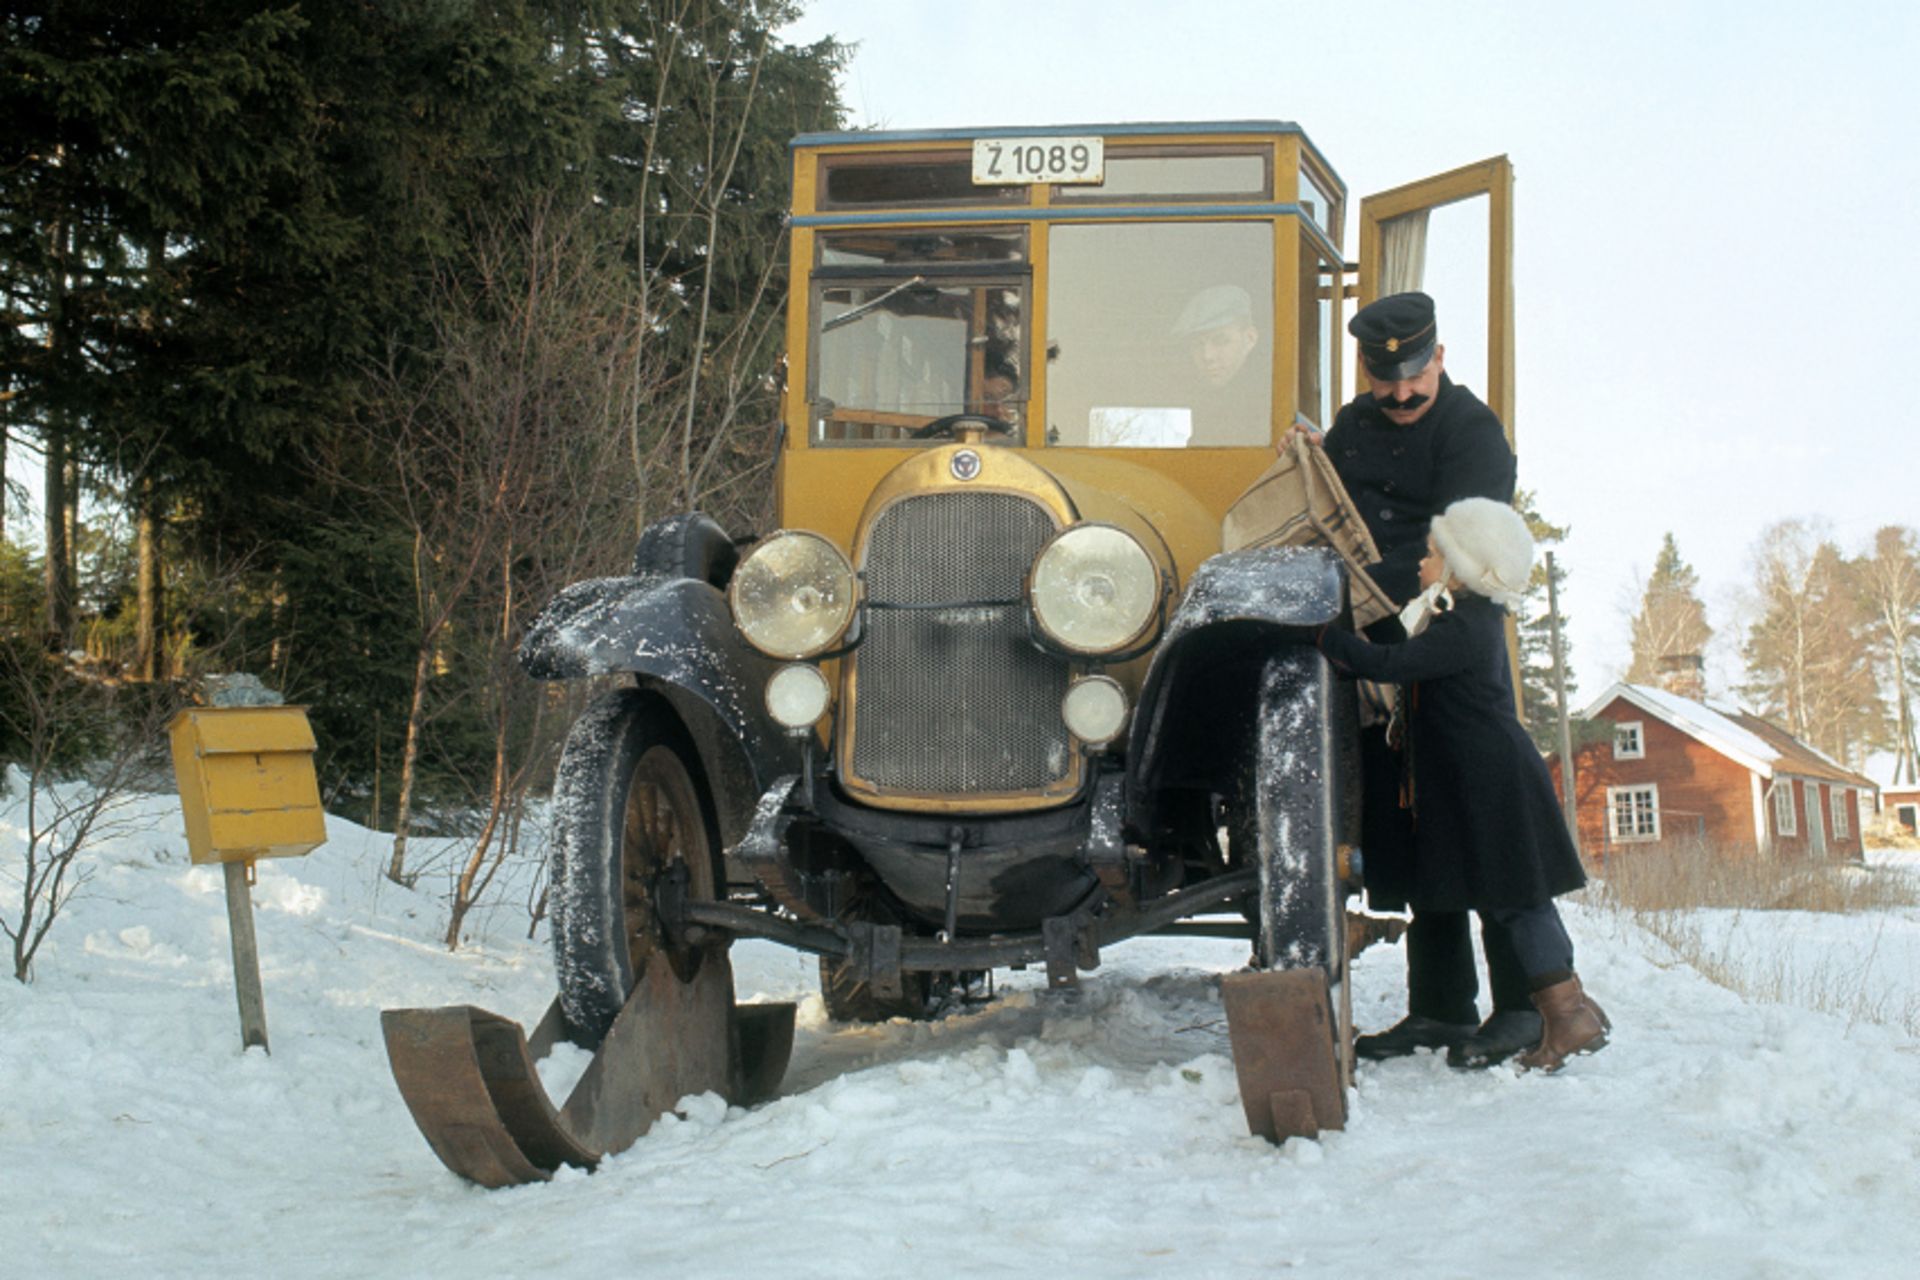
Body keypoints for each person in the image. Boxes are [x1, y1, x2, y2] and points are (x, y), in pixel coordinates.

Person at [1294, 290, 1537, 1069]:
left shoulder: (1474, 434)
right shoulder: (1354, 425)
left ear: (1440, 358)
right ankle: (1441, 1007)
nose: (1400, 394)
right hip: (1379, 654)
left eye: (1414, 376)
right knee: (1417, 823)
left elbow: (1461, 551)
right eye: (1384, 378)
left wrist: (1357, 598)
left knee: (1482, 829)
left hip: (1448, 651)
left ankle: (1525, 1009)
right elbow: (1324, 505)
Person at [1314, 499, 1607, 1073]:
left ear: (1461, 568)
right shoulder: (1450, 617)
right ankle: (1569, 1013)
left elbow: (1395, 663)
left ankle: (1569, 1018)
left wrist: (1328, 639)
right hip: (1475, 781)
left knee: (1519, 903)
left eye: (1431, 555)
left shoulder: (1471, 625)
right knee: (1514, 901)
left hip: (1494, 782)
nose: (1421, 564)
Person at [1170, 284, 1267, 444]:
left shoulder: (1265, 401)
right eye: (1198, 344)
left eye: (1221, 341)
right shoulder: (1204, 397)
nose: (1207, 356)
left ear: (1250, 339)